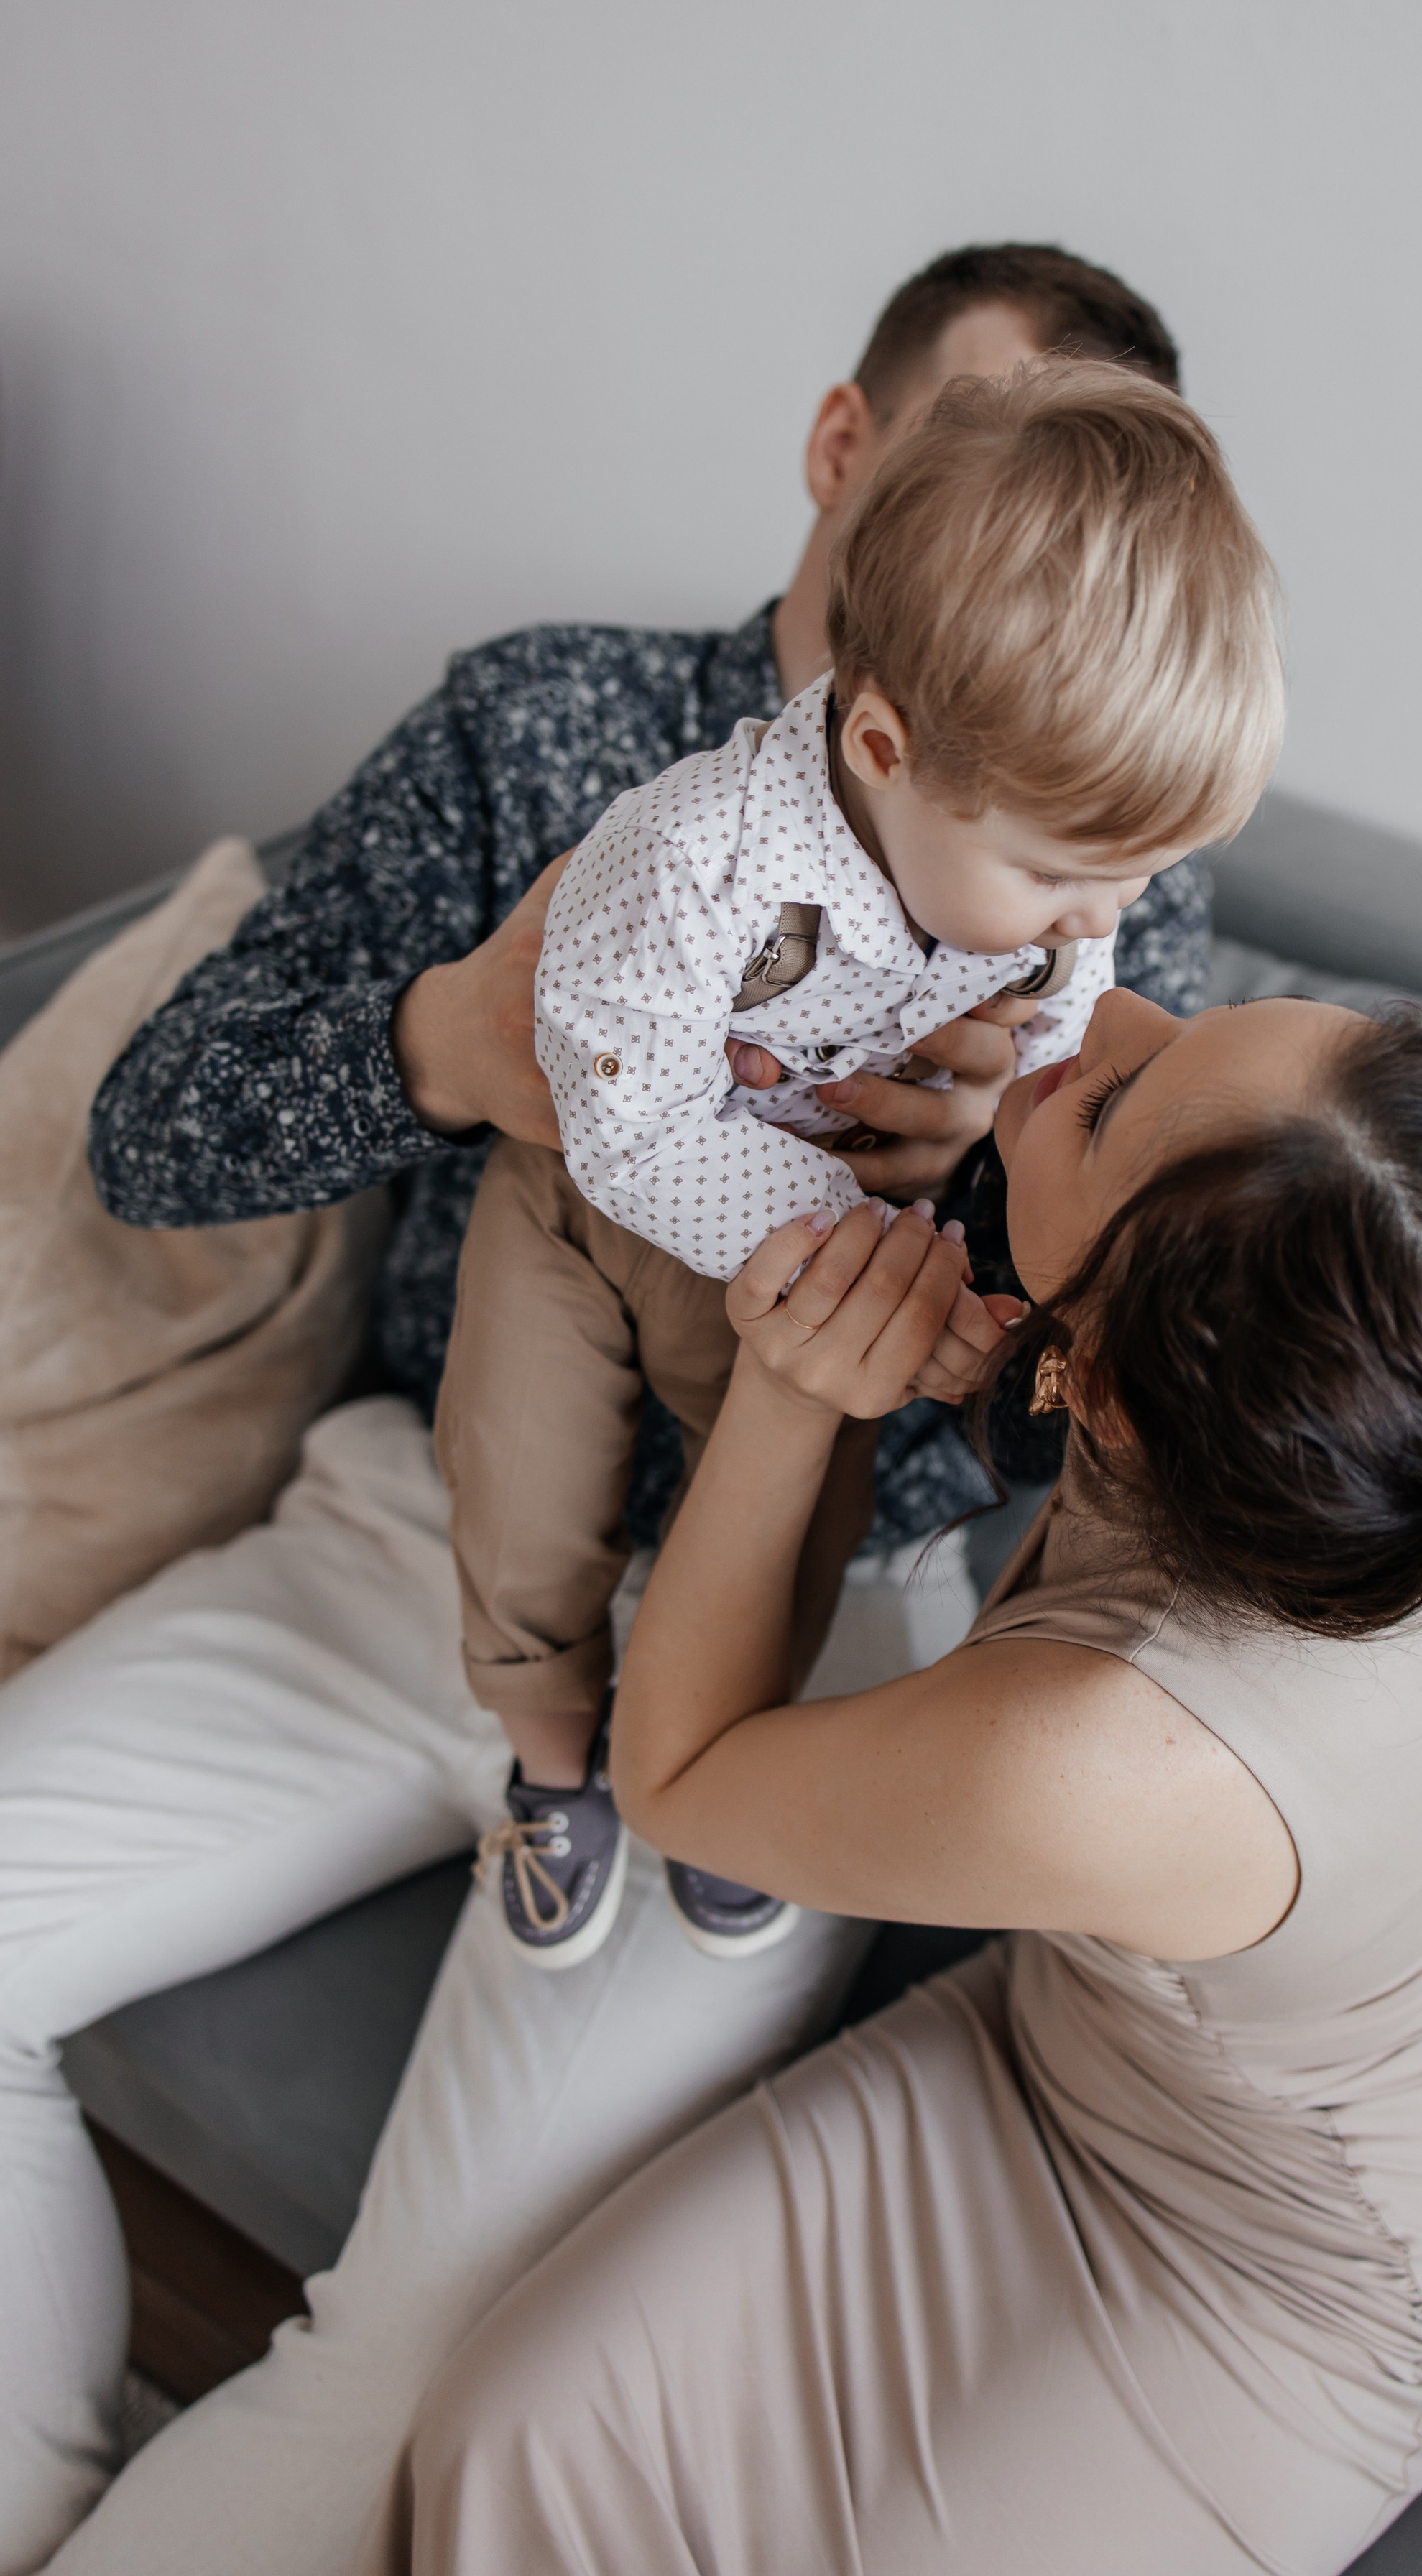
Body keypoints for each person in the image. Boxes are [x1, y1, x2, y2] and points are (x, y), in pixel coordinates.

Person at [0, 244, 1215, 2576]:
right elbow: (151, 1141)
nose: (1027, 563)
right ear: (846, 455)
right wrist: (456, 1042)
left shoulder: (1108, 861)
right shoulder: (550, 737)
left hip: (809, 1648)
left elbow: (1104, 1449)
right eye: (980, 470)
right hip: (415, 1539)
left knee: (435, 2350)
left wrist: (991, 1211)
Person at [387, 985, 1422, 2576]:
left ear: (1101, 1386)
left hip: (1270, 2306)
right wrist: (997, 1152)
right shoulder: (1391, 1425)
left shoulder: (1113, 1757)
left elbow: (677, 1781)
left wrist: (791, 1382)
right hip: (1063, 2062)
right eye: (1185, 1028)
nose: (1107, 1007)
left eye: (1114, 1101)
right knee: (510, 2444)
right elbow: (1054, 1334)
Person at [448, 361, 1281, 1968]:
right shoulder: (688, 861)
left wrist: (1003, 1201)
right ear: (883, 747)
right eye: (1056, 873)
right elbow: (625, 1130)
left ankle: (728, 1757)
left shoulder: (1044, 888)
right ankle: (553, 1762)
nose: (1089, 922)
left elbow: (1061, 1028)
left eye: (1133, 877)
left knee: (792, 1496)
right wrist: (853, 1231)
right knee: (521, 1470)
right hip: (591, 1201)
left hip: (800, 1233)